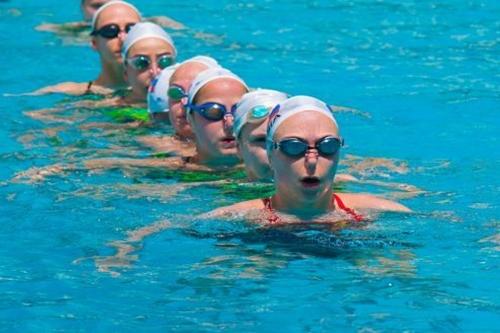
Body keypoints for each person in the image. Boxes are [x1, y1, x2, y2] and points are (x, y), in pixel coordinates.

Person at [208, 95, 411, 224]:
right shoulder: (231, 219)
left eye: (328, 146)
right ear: (270, 153)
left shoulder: (385, 213)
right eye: (294, 147)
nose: (312, 161)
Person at [34, 1, 142, 96]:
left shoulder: (157, 90)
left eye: (132, 29)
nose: (123, 38)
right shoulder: (65, 92)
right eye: (110, 30)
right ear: (95, 43)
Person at [35, 0, 185, 44]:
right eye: (97, 6)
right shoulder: (70, 30)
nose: (106, 10)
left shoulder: (155, 23)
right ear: (82, 8)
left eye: (130, 28)